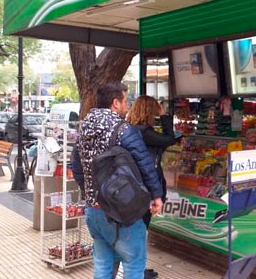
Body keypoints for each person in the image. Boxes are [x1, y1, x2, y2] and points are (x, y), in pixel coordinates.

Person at [72, 83, 163, 279]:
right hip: (122, 212)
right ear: (115, 103)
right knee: (133, 264)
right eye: (125, 101)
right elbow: (145, 165)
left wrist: (90, 194)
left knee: (103, 264)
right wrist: (156, 195)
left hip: (93, 212)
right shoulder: (123, 130)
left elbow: (77, 169)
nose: (127, 105)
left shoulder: (84, 129)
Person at [125, 95, 177, 279]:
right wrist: (165, 116)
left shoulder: (130, 129)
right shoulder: (145, 133)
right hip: (146, 188)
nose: (156, 115)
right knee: (141, 230)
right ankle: (137, 271)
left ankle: (138, 268)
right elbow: (170, 139)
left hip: (136, 187)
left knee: (139, 229)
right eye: (155, 111)